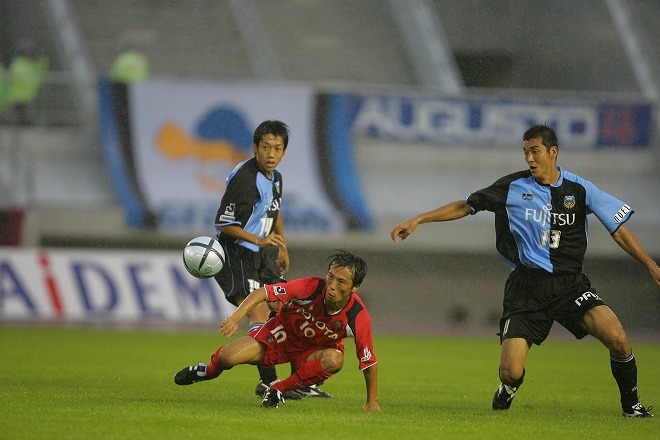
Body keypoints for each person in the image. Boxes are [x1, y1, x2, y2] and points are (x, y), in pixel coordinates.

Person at [390, 123, 658, 418]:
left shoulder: (580, 189)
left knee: (618, 337)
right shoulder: (513, 186)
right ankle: (508, 387)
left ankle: (631, 407)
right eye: (525, 152)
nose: (529, 159)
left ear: (553, 152)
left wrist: (650, 265)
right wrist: (419, 220)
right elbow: (467, 206)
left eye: (535, 151)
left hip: (570, 286)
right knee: (510, 371)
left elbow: (617, 229)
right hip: (527, 288)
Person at [210, 120, 330, 400]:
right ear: (255, 148)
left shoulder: (276, 177)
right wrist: (260, 240)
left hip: (262, 255)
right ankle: (269, 382)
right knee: (260, 312)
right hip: (236, 253)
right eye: (265, 147)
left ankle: (299, 381)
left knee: (289, 310)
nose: (271, 154)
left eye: (277, 148)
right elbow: (223, 224)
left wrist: (282, 247)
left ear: (284, 152)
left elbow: (274, 211)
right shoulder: (245, 180)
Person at [174, 250, 380, 410]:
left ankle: (278, 389)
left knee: (335, 359)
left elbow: (368, 361)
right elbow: (263, 292)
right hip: (280, 335)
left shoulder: (357, 316)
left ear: (355, 287)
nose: (332, 285)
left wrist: (372, 402)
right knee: (228, 358)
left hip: (311, 352)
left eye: (340, 282)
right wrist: (236, 318)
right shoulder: (312, 286)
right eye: (330, 277)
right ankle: (207, 371)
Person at [7, 39, 48, 126]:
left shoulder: (30, 64)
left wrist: (42, 61)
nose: (29, 54)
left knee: (27, 121)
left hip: (28, 97)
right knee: (18, 120)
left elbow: (38, 73)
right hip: (17, 97)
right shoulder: (17, 64)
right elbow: (25, 78)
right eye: (27, 51)